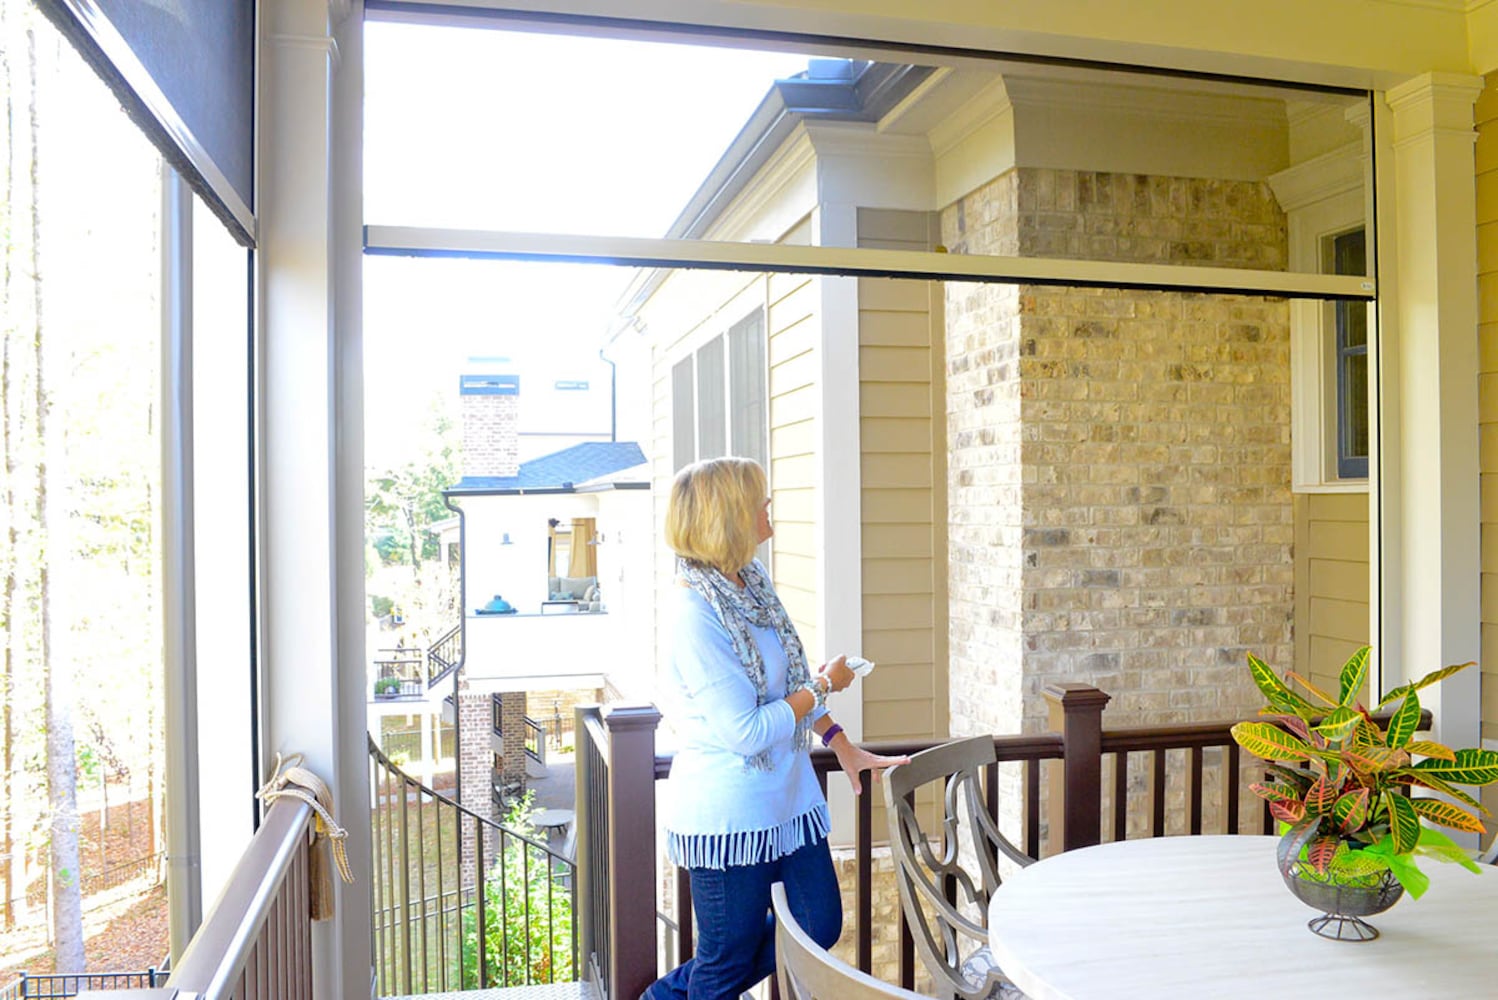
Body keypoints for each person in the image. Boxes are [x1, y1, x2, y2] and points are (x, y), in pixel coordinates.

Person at [642, 456, 907, 1000]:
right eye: (759, 503)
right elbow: (746, 730)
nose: (769, 511)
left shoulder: (752, 582)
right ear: (729, 517)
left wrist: (838, 740)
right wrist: (825, 686)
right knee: (726, 959)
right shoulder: (692, 614)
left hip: (786, 801)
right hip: (729, 816)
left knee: (817, 925)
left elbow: (785, 683)